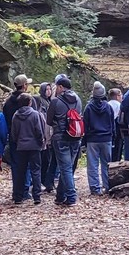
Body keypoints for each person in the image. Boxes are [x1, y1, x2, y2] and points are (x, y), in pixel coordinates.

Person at [47, 76, 83, 206]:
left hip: (60, 137)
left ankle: (72, 197)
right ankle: (60, 196)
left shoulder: (56, 101)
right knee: (67, 167)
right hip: (75, 136)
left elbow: (48, 121)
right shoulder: (78, 100)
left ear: (61, 87)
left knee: (65, 168)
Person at [10, 93, 45, 205]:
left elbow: (13, 133)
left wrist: (17, 142)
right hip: (34, 146)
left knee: (21, 171)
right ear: (30, 102)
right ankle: (37, 195)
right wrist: (41, 142)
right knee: (36, 171)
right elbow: (38, 131)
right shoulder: (35, 114)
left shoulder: (16, 115)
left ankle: (18, 196)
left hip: (21, 147)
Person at [3, 74, 34, 199]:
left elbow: (6, 119)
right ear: (25, 85)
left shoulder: (8, 102)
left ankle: (17, 192)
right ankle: (26, 190)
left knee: (16, 165)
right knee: (27, 165)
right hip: (28, 137)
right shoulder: (28, 100)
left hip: (13, 137)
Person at [83, 81, 114, 195]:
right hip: (106, 139)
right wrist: (112, 137)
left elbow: (85, 124)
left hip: (92, 139)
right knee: (107, 164)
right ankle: (107, 185)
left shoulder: (88, 107)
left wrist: (85, 139)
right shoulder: (108, 107)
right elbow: (112, 124)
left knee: (92, 165)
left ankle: (95, 188)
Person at [108, 88, 123, 162]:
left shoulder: (107, 104)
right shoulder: (119, 105)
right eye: (120, 95)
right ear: (117, 96)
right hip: (118, 128)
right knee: (118, 146)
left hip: (108, 128)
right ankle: (117, 160)